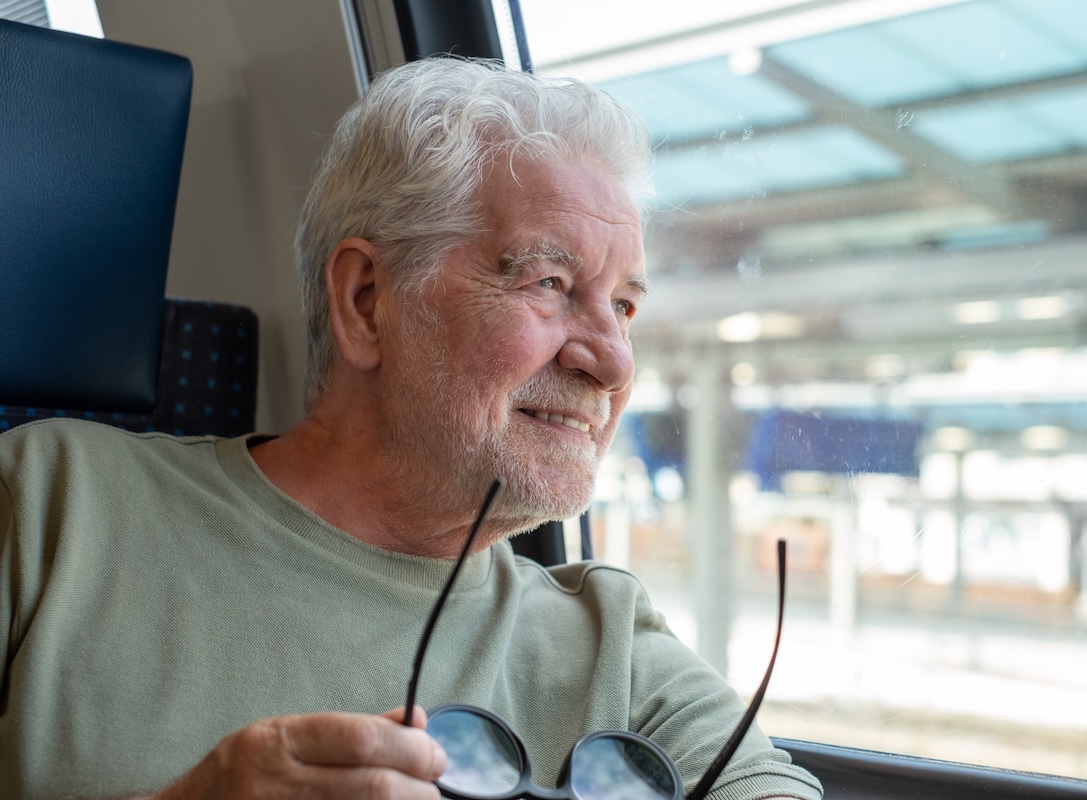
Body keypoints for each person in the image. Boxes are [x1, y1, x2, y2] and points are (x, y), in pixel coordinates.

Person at [0, 57, 822, 800]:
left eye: (625, 307)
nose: (613, 362)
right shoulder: (47, 501)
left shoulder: (608, 639)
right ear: (366, 303)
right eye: (549, 282)